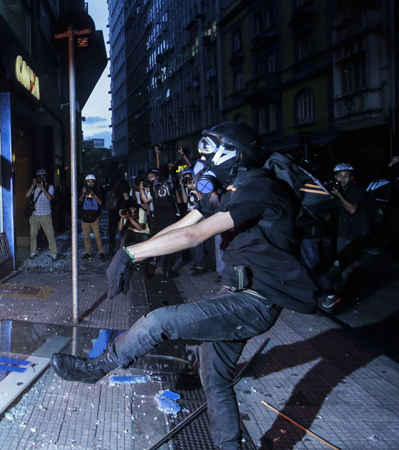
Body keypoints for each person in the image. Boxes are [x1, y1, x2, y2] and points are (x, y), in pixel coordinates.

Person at [51, 122, 317, 450]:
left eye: (209, 155)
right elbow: (184, 224)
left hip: (255, 301)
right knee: (215, 380)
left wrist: (129, 254)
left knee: (159, 321)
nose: (203, 164)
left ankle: (99, 367)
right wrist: (136, 253)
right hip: (235, 293)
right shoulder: (234, 187)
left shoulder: (258, 190)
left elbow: (195, 236)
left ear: (233, 155)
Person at [322, 163, 369, 308]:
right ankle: (347, 292)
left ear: (351, 177)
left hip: (353, 233)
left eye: (346, 176)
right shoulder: (337, 189)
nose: (343, 179)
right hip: (341, 232)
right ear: (335, 177)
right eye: (339, 176)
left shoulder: (356, 190)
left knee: (351, 265)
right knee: (342, 263)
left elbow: (352, 209)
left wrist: (339, 195)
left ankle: (350, 295)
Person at [26, 168, 58, 260]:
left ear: (46, 177)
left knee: (50, 234)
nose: (41, 178)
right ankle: (33, 251)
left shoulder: (50, 187)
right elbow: (27, 195)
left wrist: (43, 188)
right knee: (33, 234)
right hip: (35, 214)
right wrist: (33, 185)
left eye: (43, 176)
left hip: (45, 214)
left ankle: (54, 253)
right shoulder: (35, 187)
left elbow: (50, 198)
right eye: (39, 176)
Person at [80, 174, 106, 261]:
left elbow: (101, 203)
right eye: (88, 181)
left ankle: (101, 252)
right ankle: (88, 253)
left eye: (92, 181)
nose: (90, 183)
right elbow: (79, 201)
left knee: (97, 236)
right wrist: (83, 193)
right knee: (86, 236)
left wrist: (94, 195)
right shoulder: (83, 190)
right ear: (86, 182)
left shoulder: (98, 190)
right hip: (85, 217)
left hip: (94, 217)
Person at [105, 171, 131, 255]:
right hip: (121, 209)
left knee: (112, 229)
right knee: (123, 229)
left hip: (112, 209)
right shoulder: (124, 184)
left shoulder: (112, 183)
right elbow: (126, 197)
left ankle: (111, 249)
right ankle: (122, 249)